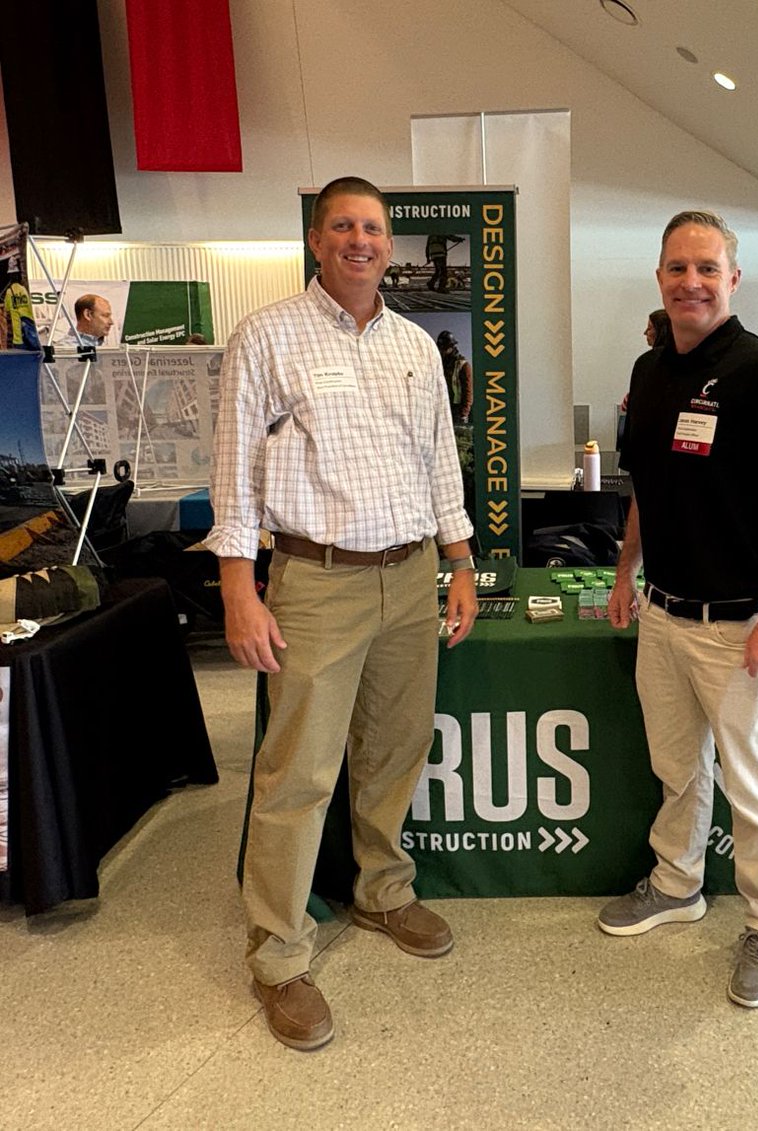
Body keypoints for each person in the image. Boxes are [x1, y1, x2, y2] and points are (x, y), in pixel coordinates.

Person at [208, 176, 478, 1052]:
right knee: (301, 769)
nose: (360, 240)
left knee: (395, 749)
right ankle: (279, 953)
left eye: (373, 228)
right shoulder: (267, 337)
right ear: (318, 240)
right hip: (315, 579)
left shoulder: (412, 345)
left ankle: (382, 891)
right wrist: (238, 588)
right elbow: (234, 474)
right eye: (343, 226)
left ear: (390, 245)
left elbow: (442, 461)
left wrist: (460, 560)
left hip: (409, 578)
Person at [601, 209, 758, 1010]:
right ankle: (676, 883)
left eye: (706, 267)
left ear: (733, 278)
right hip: (661, 614)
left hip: (738, 623)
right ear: (658, 276)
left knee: (753, 781)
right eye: (676, 268)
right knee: (676, 768)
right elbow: (645, 491)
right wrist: (625, 574)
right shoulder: (652, 368)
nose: (690, 282)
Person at [436, 330, 473, 424]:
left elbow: (468, 391)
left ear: (451, 347)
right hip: (443, 406)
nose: (441, 351)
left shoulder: (463, 365)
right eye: (440, 348)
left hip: (457, 409)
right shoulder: (440, 364)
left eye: (444, 348)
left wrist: (464, 413)